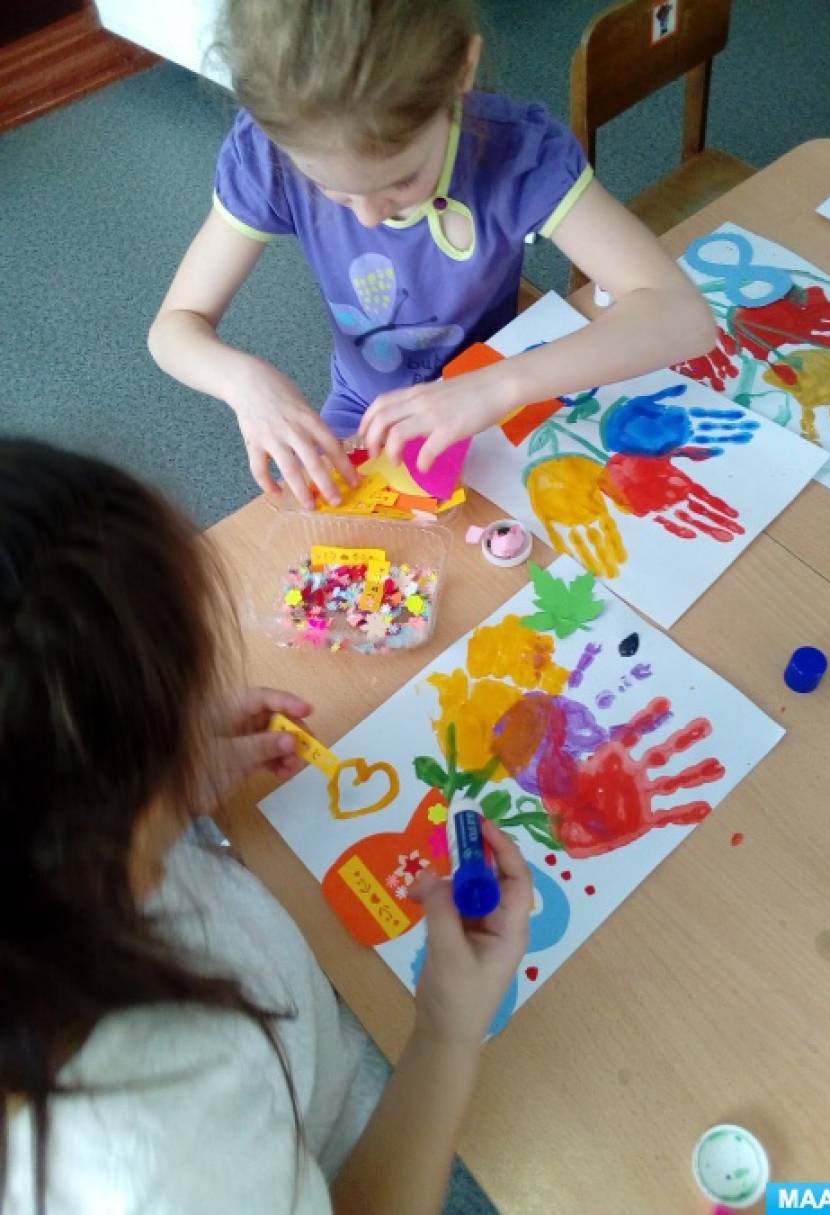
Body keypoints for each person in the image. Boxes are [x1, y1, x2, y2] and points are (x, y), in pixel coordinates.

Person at [0, 438, 531, 1214]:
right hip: (337, 1143)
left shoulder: (53, 861)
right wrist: (446, 1033)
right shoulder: (161, 1154)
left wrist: (168, 791)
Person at [148, 0, 715, 509]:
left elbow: (682, 316)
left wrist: (496, 387)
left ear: (461, 71)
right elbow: (175, 327)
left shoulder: (519, 155)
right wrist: (245, 383)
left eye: (401, 181)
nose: (369, 217)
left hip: (497, 399)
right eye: (333, 190)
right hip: (363, 411)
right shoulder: (265, 156)